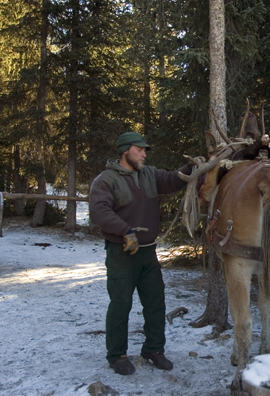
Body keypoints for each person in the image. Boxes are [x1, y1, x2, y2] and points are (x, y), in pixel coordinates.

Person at [89, 132, 192, 375]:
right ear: (125, 151)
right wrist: (125, 231)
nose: (144, 154)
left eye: (145, 150)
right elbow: (99, 212)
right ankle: (117, 355)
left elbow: (173, 180)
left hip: (148, 253)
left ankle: (154, 349)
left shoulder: (150, 174)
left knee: (155, 302)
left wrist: (192, 166)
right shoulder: (106, 180)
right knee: (121, 304)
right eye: (140, 150)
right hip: (121, 253)